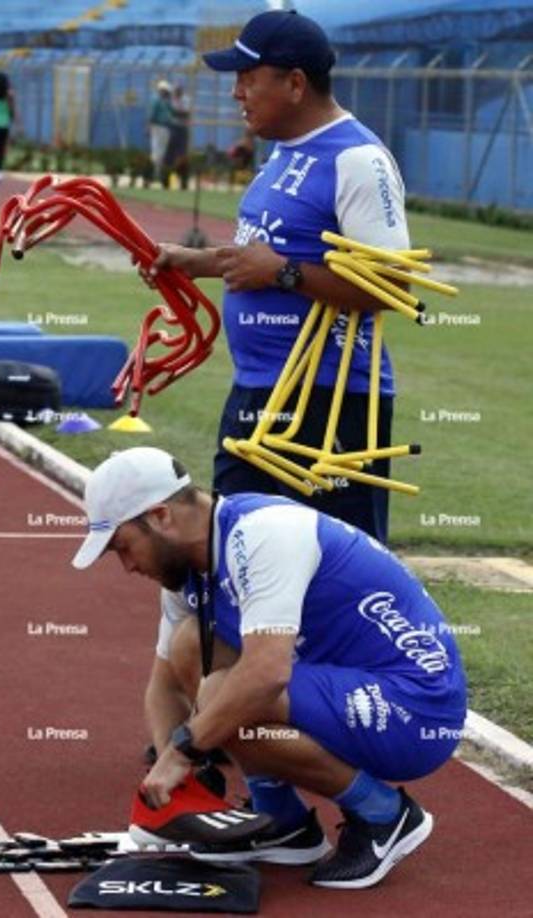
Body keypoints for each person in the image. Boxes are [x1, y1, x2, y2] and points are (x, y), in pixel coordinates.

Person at [72, 446, 466, 890]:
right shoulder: (188, 571)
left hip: (417, 707)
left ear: (161, 516)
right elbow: (163, 686)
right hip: (348, 682)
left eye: (123, 546)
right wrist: (175, 779)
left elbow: (265, 676)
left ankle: (384, 814)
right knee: (190, 647)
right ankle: (281, 820)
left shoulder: (265, 533)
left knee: (226, 701)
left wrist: (185, 752)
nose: (126, 566)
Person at [144, 11, 410, 544]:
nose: (237, 93)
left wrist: (283, 273)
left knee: (334, 575)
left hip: (330, 405)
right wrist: (196, 261)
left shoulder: (358, 159)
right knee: (234, 561)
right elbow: (263, 256)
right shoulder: (279, 155)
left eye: (248, 77)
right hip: (255, 394)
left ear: (294, 83)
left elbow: (393, 286)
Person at [163, 84, 191, 188]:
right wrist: (175, 113)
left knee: (182, 154)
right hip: (173, 128)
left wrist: (175, 112)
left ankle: (183, 181)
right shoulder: (172, 100)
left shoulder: (185, 100)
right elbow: (172, 113)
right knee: (169, 154)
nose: (176, 94)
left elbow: (185, 113)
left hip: (182, 128)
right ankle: (166, 179)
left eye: (177, 92)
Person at [148, 80, 173, 185]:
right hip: (158, 127)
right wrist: (149, 126)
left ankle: (158, 173)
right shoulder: (156, 100)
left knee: (161, 152)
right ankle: (154, 173)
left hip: (165, 127)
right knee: (156, 150)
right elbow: (152, 114)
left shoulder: (167, 101)